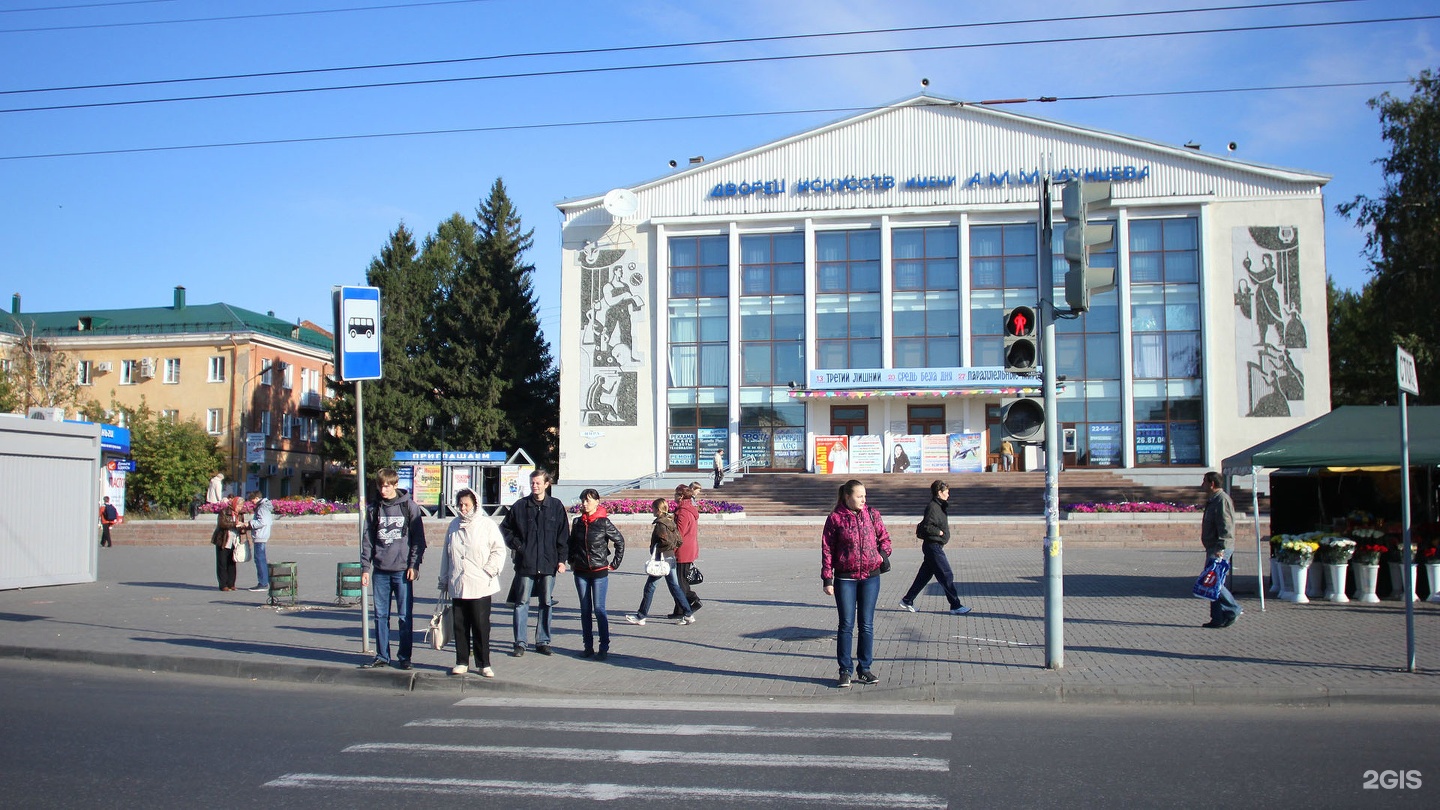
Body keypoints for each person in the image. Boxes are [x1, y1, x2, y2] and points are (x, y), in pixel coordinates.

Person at [821, 479, 891, 689]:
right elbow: (827, 549)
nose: (863, 500)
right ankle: (845, 671)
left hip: (871, 576)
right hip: (845, 578)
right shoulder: (835, 518)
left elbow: (885, 540)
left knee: (867, 625)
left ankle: (865, 668)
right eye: (859, 496)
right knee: (846, 625)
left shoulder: (872, 514)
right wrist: (827, 578)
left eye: (865, 496)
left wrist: (880, 556)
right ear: (847, 497)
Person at [360, 467, 427, 670]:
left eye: (387, 486)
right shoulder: (374, 509)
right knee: (381, 615)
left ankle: (404, 657)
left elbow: (418, 540)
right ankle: (382, 655)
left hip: (402, 570)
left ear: (395, 485)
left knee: (405, 616)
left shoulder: (409, 506)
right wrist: (365, 567)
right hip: (380, 571)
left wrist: (414, 565)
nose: (384, 490)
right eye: (381, 485)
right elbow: (368, 540)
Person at [499, 468, 570, 657]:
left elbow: (563, 536)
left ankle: (543, 641)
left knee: (546, 602)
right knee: (521, 602)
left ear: (547, 484)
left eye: (538, 483)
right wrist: (518, 546)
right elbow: (505, 529)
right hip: (526, 563)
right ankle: (520, 642)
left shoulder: (556, 506)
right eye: (532, 483)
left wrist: (562, 560)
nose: (535, 486)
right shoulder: (520, 506)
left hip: (548, 564)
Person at [439, 488, 506, 678]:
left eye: (466, 504)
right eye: (460, 504)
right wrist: (444, 578)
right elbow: (446, 554)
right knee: (459, 625)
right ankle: (461, 661)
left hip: (481, 584)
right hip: (458, 583)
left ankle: (484, 663)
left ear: (475, 504)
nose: (463, 508)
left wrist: (489, 570)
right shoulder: (453, 525)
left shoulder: (486, 524)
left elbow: (499, 549)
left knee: (480, 625)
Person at [899, 480, 971, 615]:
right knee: (946, 574)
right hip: (933, 546)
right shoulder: (933, 507)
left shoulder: (940, 506)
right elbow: (927, 526)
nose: (948, 495)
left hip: (936, 545)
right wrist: (939, 532)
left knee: (923, 576)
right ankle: (955, 605)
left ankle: (907, 600)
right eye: (946, 492)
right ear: (939, 493)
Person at [568, 488, 625, 661]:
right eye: (583, 500)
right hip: (581, 572)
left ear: (597, 502)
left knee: (599, 609)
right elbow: (572, 544)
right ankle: (588, 646)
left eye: (588, 500)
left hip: (599, 571)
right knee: (585, 610)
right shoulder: (577, 522)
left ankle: (604, 646)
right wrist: (571, 560)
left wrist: (614, 564)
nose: (585, 504)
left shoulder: (603, 522)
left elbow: (620, 541)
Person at [626, 498, 695, 627]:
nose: (651, 510)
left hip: (661, 559)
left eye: (653, 508)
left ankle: (641, 616)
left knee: (650, 587)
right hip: (671, 557)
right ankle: (688, 613)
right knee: (675, 587)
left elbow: (664, 541)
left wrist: (656, 547)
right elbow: (679, 540)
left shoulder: (661, 524)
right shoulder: (671, 521)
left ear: (658, 510)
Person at [1200, 471, 1240, 629]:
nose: (1202, 484)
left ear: (1211, 483)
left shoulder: (1222, 500)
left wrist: (1221, 547)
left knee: (1213, 582)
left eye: (1204, 481)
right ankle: (1217, 618)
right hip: (1213, 546)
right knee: (1212, 582)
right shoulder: (1213, 500)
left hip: (1219, 548)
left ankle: (1233, 608)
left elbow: (1226, 526)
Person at [669, 482, 703, 618]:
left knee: (680, 582)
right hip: (689, 548)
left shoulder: (683, 511)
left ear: (681, 496)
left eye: (676, 494)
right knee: (680, 581)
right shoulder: (689, 508)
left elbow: (679, 533)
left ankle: (693, 600)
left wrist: (672, 548)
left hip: (683, 550)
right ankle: (679, 610)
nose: (674, 497)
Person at [210, 496, 245, 591]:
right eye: (239, 506)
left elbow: (241, 525)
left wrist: (243, 528)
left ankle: (231, 583)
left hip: (234, 540)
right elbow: (222, 524)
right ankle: (223, 584)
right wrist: (234, 524)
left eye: (241, 506)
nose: (240, 508)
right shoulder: (224, 512)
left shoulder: (240, 514)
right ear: (234, 504)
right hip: (224, 540)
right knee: (222, 562)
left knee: (232, 563)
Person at [244, 490, 274, 592]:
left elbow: (262, 522)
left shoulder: (261, 508)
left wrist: (249, 523)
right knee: (261, 559)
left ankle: (263, 583)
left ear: (257, 498)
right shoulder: (265, 506)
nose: (251, 502)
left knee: (259, 559)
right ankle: (264, 581)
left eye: (252, 500)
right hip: (263, 534)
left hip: (260, 535)